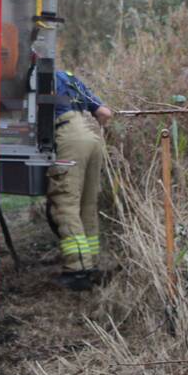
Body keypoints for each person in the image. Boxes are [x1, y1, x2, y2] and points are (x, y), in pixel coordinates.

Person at [47, 69, 112, 291]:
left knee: (65, 205)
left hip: (69, 136)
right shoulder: (70, 78)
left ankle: (77, 270)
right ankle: (91, 263)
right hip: (93, 136)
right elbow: (104, 112)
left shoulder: (40, 75)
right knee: (87, 205)